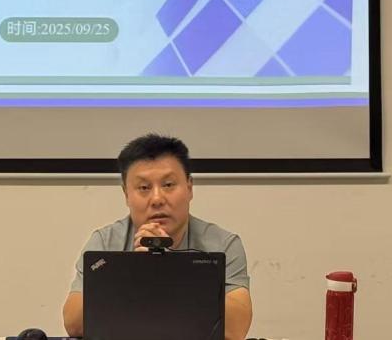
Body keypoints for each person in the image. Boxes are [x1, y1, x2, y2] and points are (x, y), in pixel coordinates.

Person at [62, 134, 253, 340]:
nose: (157, 199)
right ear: (126, 194)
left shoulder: (223, 244)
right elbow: (74, 323)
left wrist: (169, 269)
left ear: (189, 188)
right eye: (144, 188)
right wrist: (135, 271)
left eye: (168, 185)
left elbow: (236, 329)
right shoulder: (104, 242)